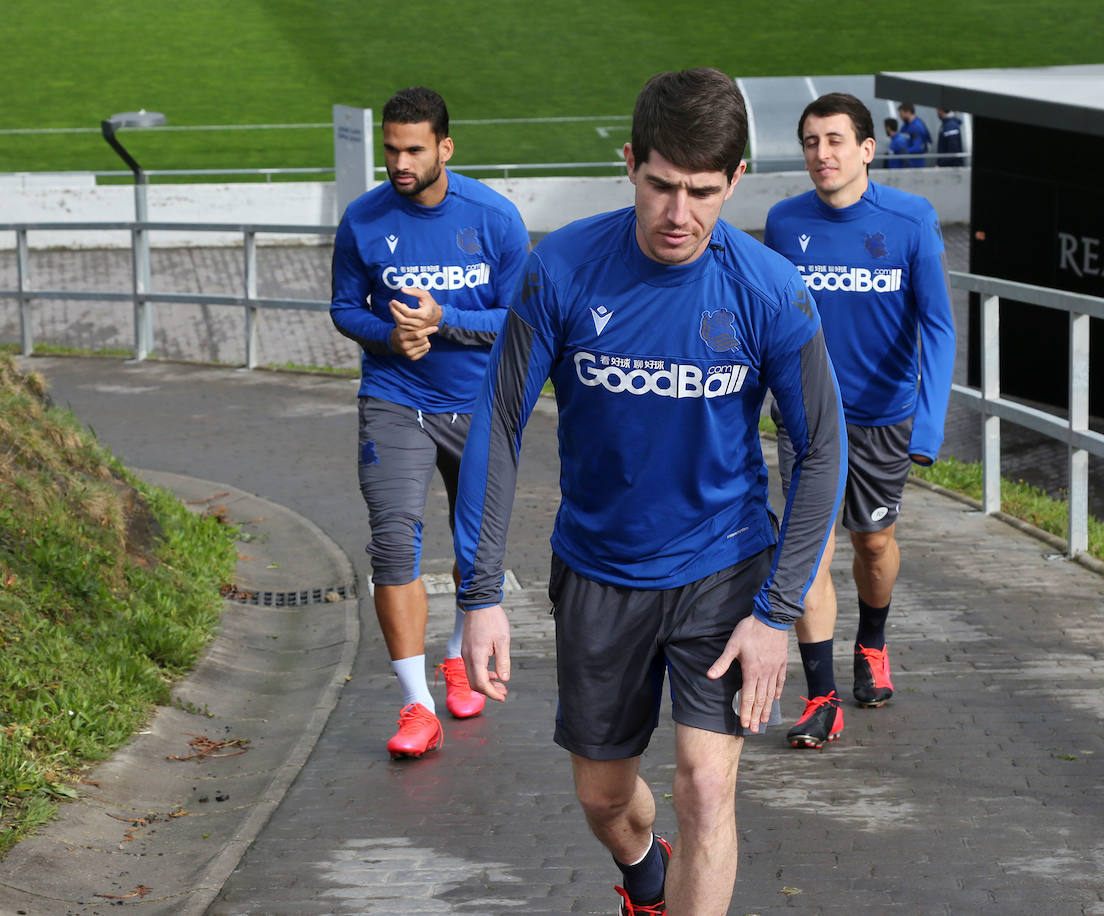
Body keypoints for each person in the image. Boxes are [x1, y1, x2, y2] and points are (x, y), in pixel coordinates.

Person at [453, 68, 845, 915]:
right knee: (603, 797)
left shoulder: (771, 292)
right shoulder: (559, 269)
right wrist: (479, 592)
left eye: (703, 192)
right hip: (598, 571)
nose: (679, 215)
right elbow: (498, 421)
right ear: (630, 164)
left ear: (736, 181)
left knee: (707, 785)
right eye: (662, 186)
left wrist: (776, 614)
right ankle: (644, 873)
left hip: (722, 568)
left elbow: (821, 453)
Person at [330, 86, 530, 759]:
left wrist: (447, 320)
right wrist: (390, 336)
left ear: (445, 146)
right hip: (393, 400)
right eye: (391, 149)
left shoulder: (495, 219)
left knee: (477, 554)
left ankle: (454, 655)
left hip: (479, 406)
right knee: (392, 545)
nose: (399, 161)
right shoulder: (362, 219)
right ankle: (417, 705)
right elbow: (343, 307)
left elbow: (524, 319)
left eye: (413, 149)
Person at [764, 92, 955, 749]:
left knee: (873, 544)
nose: (822, 154)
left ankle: (872, 642)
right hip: (806, 418)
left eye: (836, 141)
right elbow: (772, 323)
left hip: (883, 420)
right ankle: (820, 698)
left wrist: (929, 428)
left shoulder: (910, 219)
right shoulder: (784, 223)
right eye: (812, 141)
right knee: (808, 554)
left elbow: (937, 326)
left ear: (867, 149)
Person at [897, 102, 932, 168]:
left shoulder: (917, 127)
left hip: (915, 164)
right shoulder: (905, 126)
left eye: (901, 114)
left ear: (908, 112)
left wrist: (904, 151)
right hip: (907, 163)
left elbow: (918, 147)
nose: (900, 116)